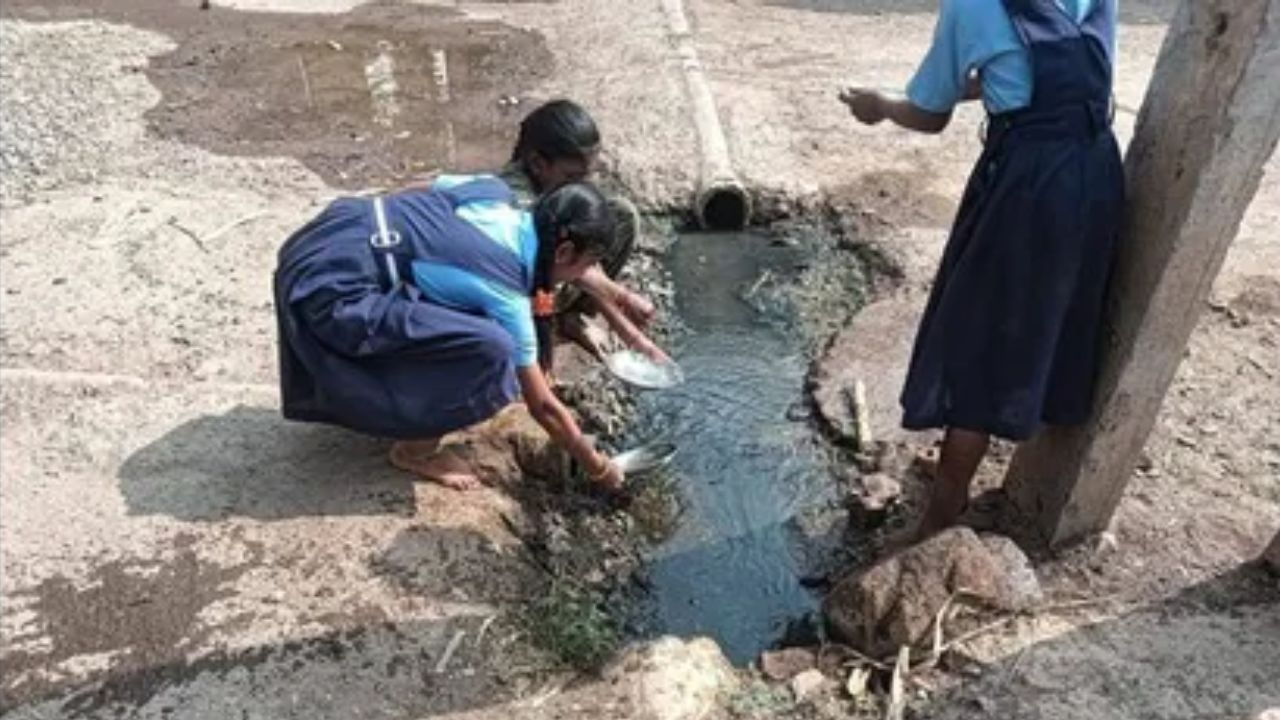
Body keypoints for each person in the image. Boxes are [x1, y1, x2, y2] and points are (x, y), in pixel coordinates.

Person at [839, 0, 1124, 540]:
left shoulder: (971, 6)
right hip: (1096, 175)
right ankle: (1026, 422)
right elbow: (1046, 76)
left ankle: (945, 509)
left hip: (1027, 187)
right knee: (1053, 314)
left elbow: (930, 113)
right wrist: (983, 82)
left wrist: (879, 104)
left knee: (977, 337)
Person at [274, 176, 636, 492]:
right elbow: (543, 407)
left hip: (334, 230)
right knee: (492, 353)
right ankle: (414, 451)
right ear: (564, 251)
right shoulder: (506, 292)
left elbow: (421, 188)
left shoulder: (493, 192)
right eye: (587, 264)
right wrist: (597, 467)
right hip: (331, 289)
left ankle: (407, 401)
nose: (584, 274)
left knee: (465, 323)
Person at [497, 99, 666, 363]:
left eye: (587, 176)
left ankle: (571, 315)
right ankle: (544, 326)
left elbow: (580, 256)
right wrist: (622, 304)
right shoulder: (516, 204)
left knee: (620, 215)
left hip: (555, 271)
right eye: (573, 177)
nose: (583, 185)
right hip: (520, 292)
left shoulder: (552, 186)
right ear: (538, 164)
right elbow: (572, 266)